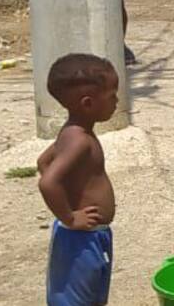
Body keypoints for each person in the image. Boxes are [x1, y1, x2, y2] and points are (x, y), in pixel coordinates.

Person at [38, 53, 119, 306]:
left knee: (92, 294)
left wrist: (74, 193)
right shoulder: (79, 140)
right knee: (75, 298)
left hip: (93, 234)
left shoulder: (74, 132)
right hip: (79, 239)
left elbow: (43, 162)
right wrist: (70, 217)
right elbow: (48, 181)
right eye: (112, 96)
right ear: (88, 103)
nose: (117, 101)